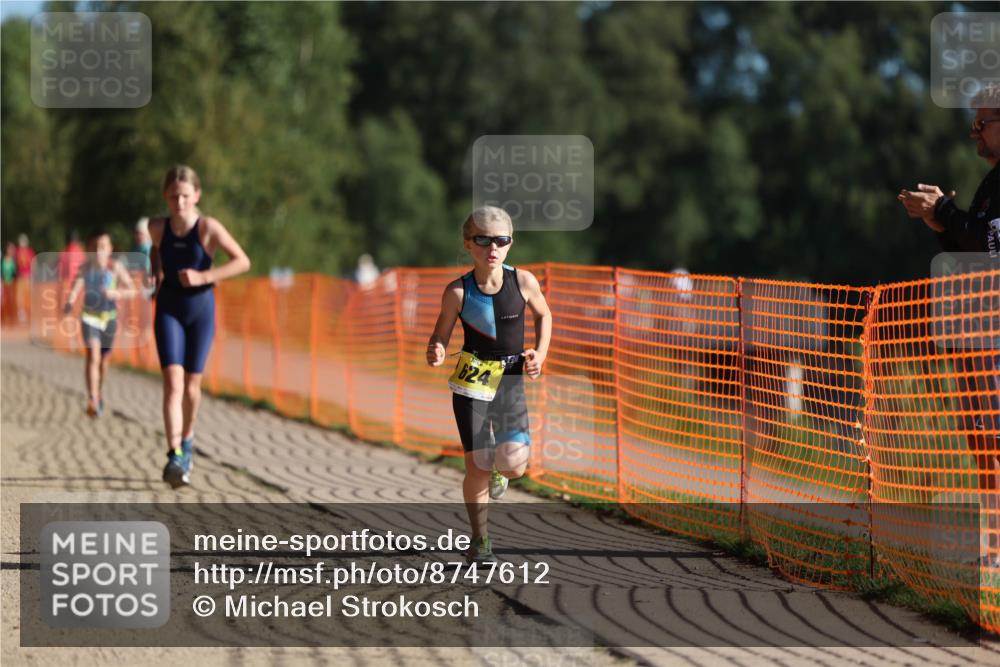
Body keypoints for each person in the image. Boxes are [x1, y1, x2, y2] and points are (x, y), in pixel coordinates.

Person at [898, 83, 1000, 563]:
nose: (973, 132)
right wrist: (942, 224)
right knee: (983, 440)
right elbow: (973, 248)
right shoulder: (992, 183)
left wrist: (945, 213)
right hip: (983, 331)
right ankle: (996, 547)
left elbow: (992, 245)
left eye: (982, 123)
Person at [426, 206, 552, 563]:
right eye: (482, 239)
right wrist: (435, 349)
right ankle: (479, 540)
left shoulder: (523, 281)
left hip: (510, 382)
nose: (492, 247)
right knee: (476, 466)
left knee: (514, 465)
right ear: (468, 244)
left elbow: (545, 315)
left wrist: (539, 355)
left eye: (501, 240)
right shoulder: (457, 291)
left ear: (510, 244)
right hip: (472, 385)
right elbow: (440, 336)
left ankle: (501, 468)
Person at [150, 165, 251, 488]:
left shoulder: (208, 228)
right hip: (168, 308)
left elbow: (242, 261)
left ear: (196, 195)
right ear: (166, 196)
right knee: (172, 383)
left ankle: (188, 438)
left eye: (185, 195)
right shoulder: (157, 227)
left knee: (192, 387)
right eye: (173, 196)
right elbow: (155, 251)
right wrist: (156, 273)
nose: (179, 202)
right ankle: (175, 454)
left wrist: (204, 276)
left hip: (200, 310)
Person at [62, 231, 137, 416]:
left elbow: (132, 290)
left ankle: (99, 392)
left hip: (109, 317)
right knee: (93, 356)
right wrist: (70, 302)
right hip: (89, 316)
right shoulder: (85, 268)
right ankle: (92, 398)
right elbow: (76, 286)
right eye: (95, 247)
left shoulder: (115, 267)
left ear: (110, 249)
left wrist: (117, 294)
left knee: (104, 362)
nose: (99, 251)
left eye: (103, 246)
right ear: (89, 249)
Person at [14, 233, 35, 323]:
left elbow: (33, 264)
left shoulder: (29, 251)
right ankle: (22, 313)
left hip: (27, 277)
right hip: (22, 277)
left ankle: (29, 313)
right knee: (21, 296)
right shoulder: (18, 251)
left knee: (28, 296)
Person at [1, 242, 16, 323]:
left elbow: (15, 273)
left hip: (11, 284)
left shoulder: (13, 261)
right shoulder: (3, 260)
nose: (12, 250)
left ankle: (11, 319)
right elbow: (2, 272)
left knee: (11, 301)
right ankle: (4, 319)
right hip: (4, 284)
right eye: (10, 249)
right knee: (4, 301)